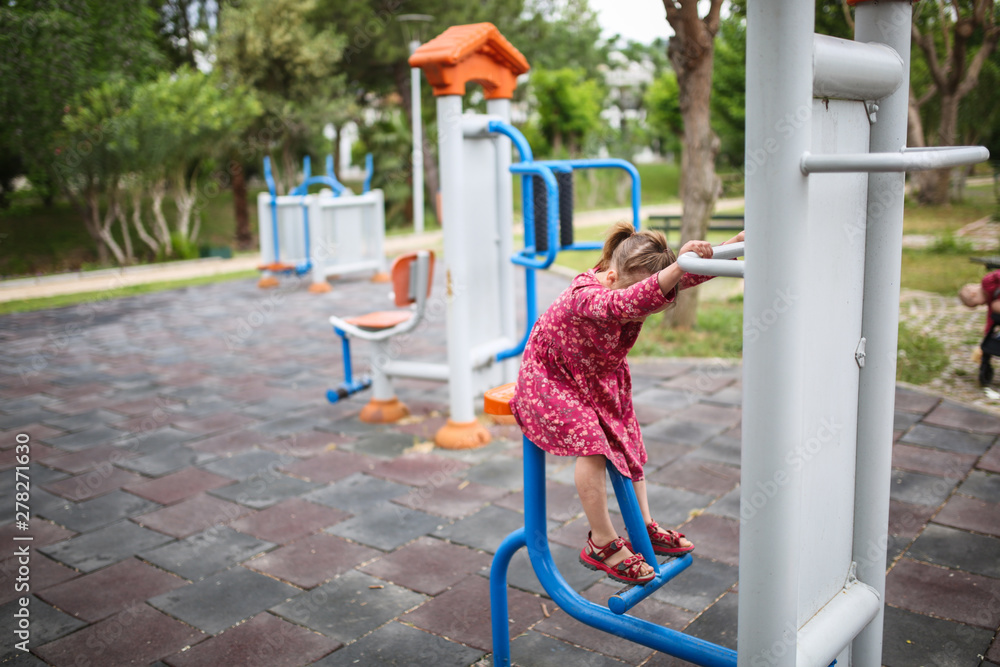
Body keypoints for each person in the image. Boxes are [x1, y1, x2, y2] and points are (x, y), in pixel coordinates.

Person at [509, 221, 744, 585]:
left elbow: (673, 284)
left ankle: (643, 526)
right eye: (642, 300)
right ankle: (601, 542)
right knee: (592, 445)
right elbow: (627, 302)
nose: (641, 315)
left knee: (629, 442)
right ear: (610, 275)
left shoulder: (622, 281)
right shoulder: (588, 294)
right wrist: (679, 266)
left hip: (598, 374)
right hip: (551, 377)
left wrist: (729, 247)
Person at [959, 269, 1000, 386]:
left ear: (973, 295)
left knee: (995, 306)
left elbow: (998, 274)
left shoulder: (987, 282)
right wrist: (987, 336)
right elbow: (991, 319)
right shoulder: (992, 299)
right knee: (995, 308)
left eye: (977, 304)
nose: (981, 305)